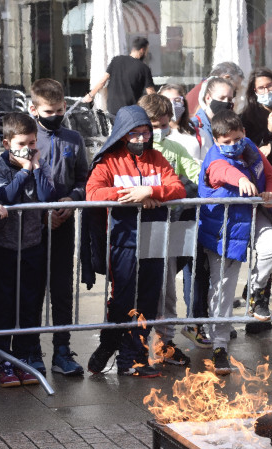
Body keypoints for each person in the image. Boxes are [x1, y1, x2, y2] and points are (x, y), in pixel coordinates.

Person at [86, 105, 186, 378]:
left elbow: (177, 187)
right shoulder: (108, 160)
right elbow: (93, 193)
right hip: (122, 240)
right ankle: (109, 346)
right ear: (122, 134)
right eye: (134, 133)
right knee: (121, 300)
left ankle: (134, 357)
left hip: (154, 238)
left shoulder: (157, 158)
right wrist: (132, 194)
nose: (141, 138)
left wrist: (152, 190)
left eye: (145, 132)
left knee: (149, 300)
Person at [198, 109, 272, 375]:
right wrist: (242, 178)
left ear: (244, 133)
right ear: (216, 141)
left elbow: (270, 174)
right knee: (223, 287)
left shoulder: (251, 148)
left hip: (252, 216)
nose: (233, 145)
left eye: (237, 139)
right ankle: (219, 346)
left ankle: (255, 290)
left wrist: (271, 191)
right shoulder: (214, 158)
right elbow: (220, 172)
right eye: (226, 142)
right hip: (222, 227)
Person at [0, 112, 57, 387]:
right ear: (6, 144)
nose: (29, 149)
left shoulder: (38, 164)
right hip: (4, 248)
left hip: (32, 246)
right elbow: (5, 196)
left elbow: (48, 196)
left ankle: (25, 357)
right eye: (22, 144)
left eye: (32, 143)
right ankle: (4, 361)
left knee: (30, 305)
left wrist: (37, 167)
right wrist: (26, 169)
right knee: (4, 306)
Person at [29, 78, 88, 376]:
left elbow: (83, 179)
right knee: (32, 289)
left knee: (62, 289)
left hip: (64, 225)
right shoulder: (28, 140)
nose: (54, 116)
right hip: (32, 228)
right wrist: (41, 214)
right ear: (34, 109)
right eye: (48, 111)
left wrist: (73, 198)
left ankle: (62, 350)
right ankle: (31, 351)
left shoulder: (73, 139)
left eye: (59, 110)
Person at [138, 93, 200, 367]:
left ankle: (165, 342)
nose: (159, 131)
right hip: (136, 232)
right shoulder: (127, 149)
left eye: (164, 125)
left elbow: (198, 177)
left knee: (167, 291)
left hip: (167, 229)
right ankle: (133, 343)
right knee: (137, 289)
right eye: (154, 125)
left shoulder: (175, 148)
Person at [157, 83, 214, 348]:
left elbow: (200, 167)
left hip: (190, 208)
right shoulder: (156, 140)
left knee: (193, 266)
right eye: (168, 101)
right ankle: (156, 334)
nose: (174, 106)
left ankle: (194, 322)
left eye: (178, 100)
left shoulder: (195, 129)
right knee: (164, 276)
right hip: (162, 215)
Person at [83, 37, 155, 116]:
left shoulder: (116, 60)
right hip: (131, 111)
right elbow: (150, 93)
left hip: (112, 109)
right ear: (142, 50)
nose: (147, 54)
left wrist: (90, 95)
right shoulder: (144, 68)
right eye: (147, 51)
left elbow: (103, 81)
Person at [159, 83, 213, 162]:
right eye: (166, 101)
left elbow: (209, 165)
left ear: (183, 102)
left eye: (177, 100)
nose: (172, 104)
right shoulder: (154, 135)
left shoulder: (200, 135)